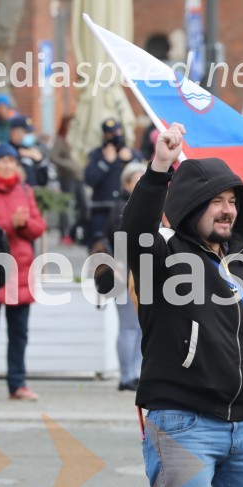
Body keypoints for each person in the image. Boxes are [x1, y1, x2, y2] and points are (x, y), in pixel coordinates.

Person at [122, 123, 243, 487]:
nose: (227, 209)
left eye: (233, 201)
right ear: (190, 204)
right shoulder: (164, 260)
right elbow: (136, 227)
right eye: (216, 200)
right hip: (182, 422)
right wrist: (159, 167)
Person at [0, 144, 46, 401]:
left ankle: (17, 383)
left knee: (19, 333)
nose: (9, 166)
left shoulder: (24, 190)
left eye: (12, 161)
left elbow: (38, 226)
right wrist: (11, 224)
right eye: (3, 161)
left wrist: (25, 224)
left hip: (21, 271)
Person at [105, 161, 146, 392]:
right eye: (136, 180)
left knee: (141, 327)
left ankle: (137, 372)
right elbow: (118, 238)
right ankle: (126, 375)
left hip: (144, 271)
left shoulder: (146, 205)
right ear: (127, 183)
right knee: (129, 326)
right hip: (125, 273)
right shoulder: (121, 206)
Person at [84, 118, 142, 248]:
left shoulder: (132, 154)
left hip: (125, 209)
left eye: (117, 132)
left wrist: (130, 160)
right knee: (99, 252)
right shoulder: (96, 155)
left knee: (123, 250)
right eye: (110, 133)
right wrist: (106, 162)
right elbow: (89, 179)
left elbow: (140, 177)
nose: (115, 136)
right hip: (101, 210)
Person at [49, 115, 89, 246]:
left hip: (79, 177)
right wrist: (69, 165)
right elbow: (53, 157)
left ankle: (75, 230)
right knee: (66, 206)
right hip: (66, 176)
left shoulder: (78, 141)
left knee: (84, 205)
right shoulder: (61, 140)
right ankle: (64, 232)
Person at [7, 116, 49, 187]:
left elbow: (43, 181)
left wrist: (40, 161)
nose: (29, 135)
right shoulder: (7, 149)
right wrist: (18, 156)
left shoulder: (30, 150)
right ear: (14, 132)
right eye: (26, 132)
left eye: (30, 132)